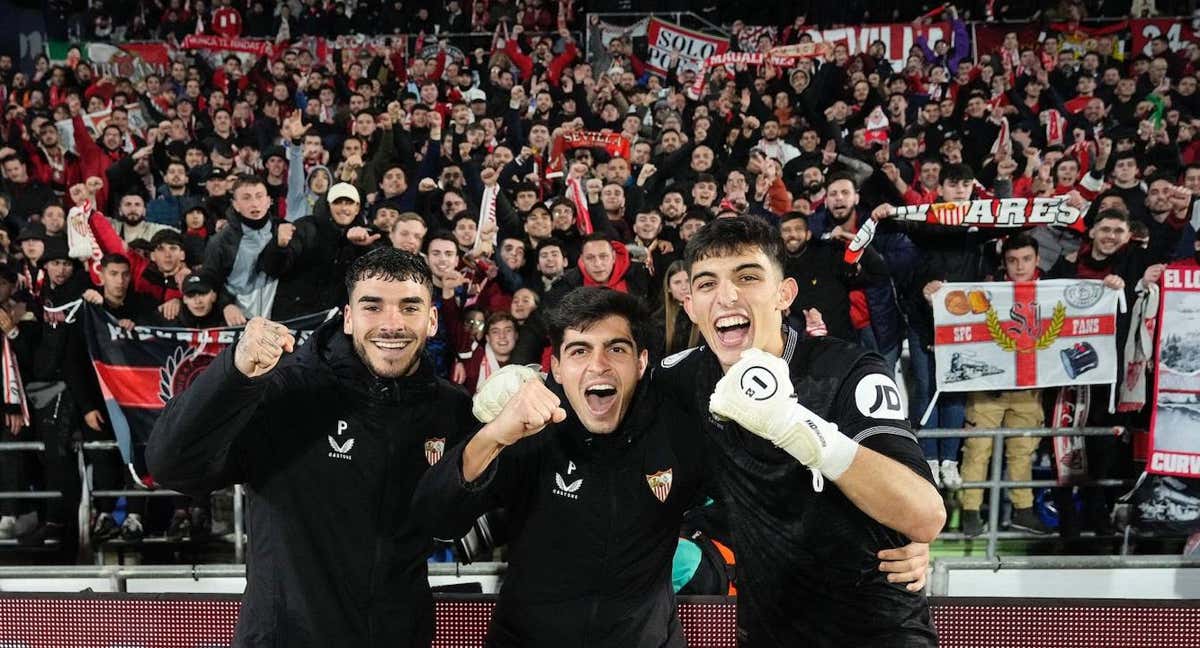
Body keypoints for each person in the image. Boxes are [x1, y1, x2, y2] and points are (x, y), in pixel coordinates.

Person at [147, 248, 474, 647]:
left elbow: (451, 525)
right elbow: (171, 465)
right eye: (372, 307)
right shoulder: (287, 390)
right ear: (349, 318)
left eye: (410, 307)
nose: (392, 324)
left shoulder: (449, 408)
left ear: (432, 320)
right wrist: (233, 372)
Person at [651, 217, 943, 646]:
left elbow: (924, 515)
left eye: (747, 277)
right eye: (707, 283)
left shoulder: (846, 370)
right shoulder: (682, 380)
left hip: (875, 632)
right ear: (691, 304)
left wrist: (795, 427)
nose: (727, 296)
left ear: (784, 294)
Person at [415, 287, 703, 647]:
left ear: (641, 362)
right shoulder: (529, 431)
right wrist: (492, 436)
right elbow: (434, 517)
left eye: (616, 348)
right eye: (579, 351)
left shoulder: (677, 431)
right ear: (557, 368)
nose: (599, 365)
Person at [958, 234, 1053, 537]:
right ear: (1004, 263)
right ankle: (970, 512)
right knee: (977, 449)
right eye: (1013, 260)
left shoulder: (1053, 291)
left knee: (1022, 451)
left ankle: (1023, 511)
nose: (1019, 266)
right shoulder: (986, 291)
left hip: (1029, 388)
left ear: (1037, 260)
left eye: (1026, 259)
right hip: (987, 388)